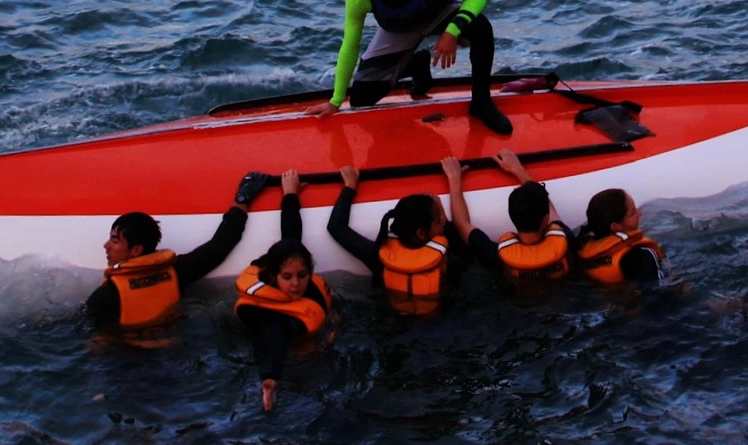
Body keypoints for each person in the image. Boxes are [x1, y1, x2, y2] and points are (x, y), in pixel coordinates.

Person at [304, 0, 512, 134]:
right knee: (361, 98)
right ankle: (416, 64)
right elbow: (350, 47)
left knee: (481, 27)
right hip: (398, 30)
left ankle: (481, 103)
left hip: (437, 16)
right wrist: (335, 101)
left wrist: (452, 31)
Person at [85, 170, 272, 331]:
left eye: (114, 240)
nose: (106, 245)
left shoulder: (104, 297)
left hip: (127, 363)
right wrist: (243, 199)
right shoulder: (177, 272)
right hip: (173, 353)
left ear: (136, 250)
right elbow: (220, 245)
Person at [232, 169, 333, 413]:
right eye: (287, 278)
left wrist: (290, 195)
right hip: (290, 368)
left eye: (302, 275)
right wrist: (270, 379)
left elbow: (291, 236)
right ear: (273, 277)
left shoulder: (304, 281)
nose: (296, 283)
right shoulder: (273, 318)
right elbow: (275, 344)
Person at [327, 157, 472, 315]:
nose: (442, 223)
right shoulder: (450, 259)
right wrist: (453, 186)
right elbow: (464, 236)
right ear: (421, 234)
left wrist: (349, 188)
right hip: (443, 320)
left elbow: (336, 227)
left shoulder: (379, 257)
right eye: (438, 221)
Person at [446, 149, 574, 296]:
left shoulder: (495, 256)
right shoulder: (566, 240)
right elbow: (550, 210)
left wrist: (454, 179)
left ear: (511, 216)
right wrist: (518, 169)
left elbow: (462, 223)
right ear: (545, 219)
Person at [573, 187, 664, 286]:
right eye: (633, 212)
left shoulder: (579, 246)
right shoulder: (643, 256)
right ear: (615, 226)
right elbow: (661, 295)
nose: (640, 213)